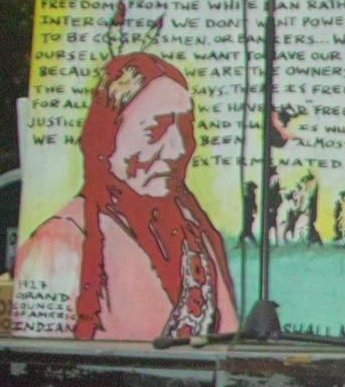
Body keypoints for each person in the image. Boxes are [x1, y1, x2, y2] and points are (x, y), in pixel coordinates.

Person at [14, 50, 239, 341]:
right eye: (155, 129)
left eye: (185, 128)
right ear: (107, 135)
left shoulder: (193, 235)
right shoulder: (57, 245)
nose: (179, 149)